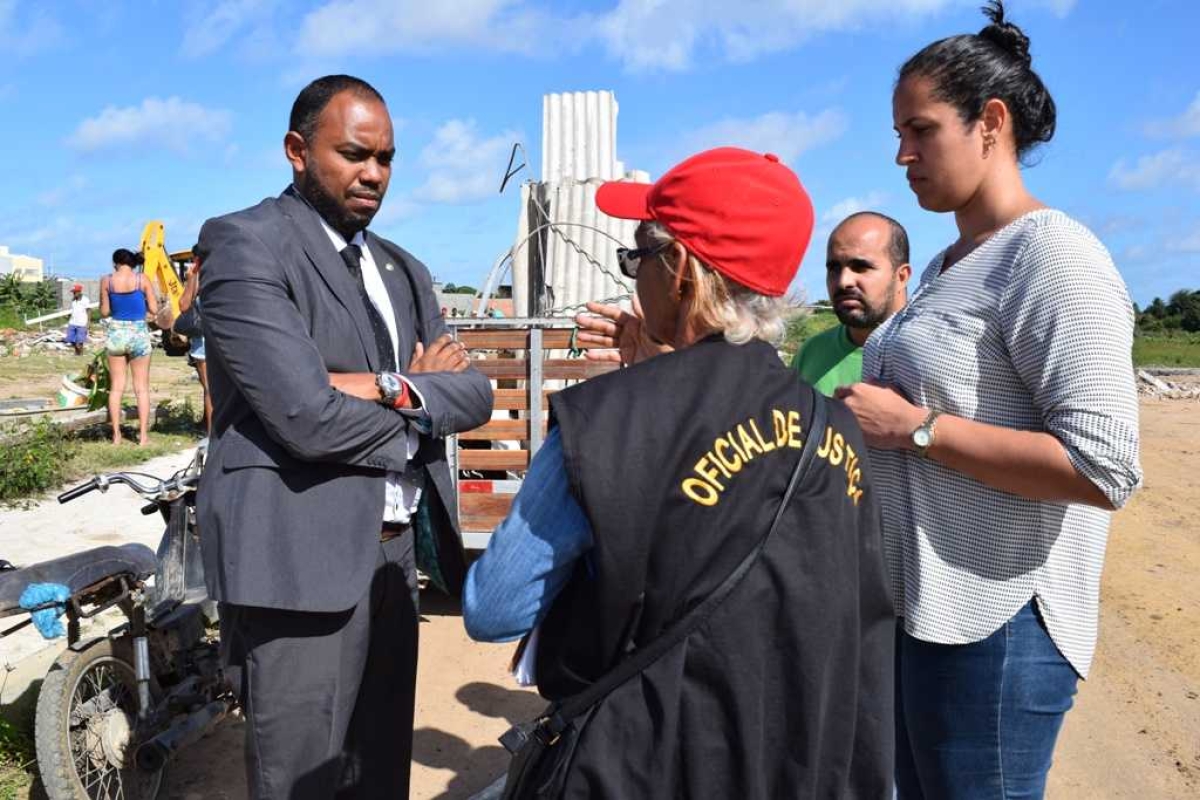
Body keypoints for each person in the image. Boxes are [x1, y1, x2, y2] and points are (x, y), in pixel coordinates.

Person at [466, 147, 894, 798]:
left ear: (683, 269)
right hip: (792, 765)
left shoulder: (608, 418)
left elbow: (493, 606)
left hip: (644, 764)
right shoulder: (836, 432)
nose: (634, 273)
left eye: (639, 252)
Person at [835, 3, 1143, 797]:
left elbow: (1104, 467)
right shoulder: (944, 266)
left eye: (920, 129)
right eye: (898, 133)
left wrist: (915, 430)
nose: (902, 153)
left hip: (1001, 624)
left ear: (990, 123)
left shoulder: (1053, 256)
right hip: (923, 617)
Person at [196, 74, 493, 799]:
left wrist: (382, 384)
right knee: (299, 780)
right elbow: (302, 414)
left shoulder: (403, 268)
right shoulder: (245, 245)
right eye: (355, 154)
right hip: (298, 562)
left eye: (387, 158)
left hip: (394, 558)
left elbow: (476, 392)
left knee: (378, 772)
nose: (374, 175)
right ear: (297, 150)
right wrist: (420, 400)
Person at [793, 212, 911, 395]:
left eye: (860, 267)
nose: (843, 281)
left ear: (901, 277)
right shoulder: (812, 354)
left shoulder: (929, 355)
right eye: (834, 268)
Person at [99, 248, 156, 445]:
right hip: (138, 332)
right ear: (131, 263)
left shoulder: (107, 280)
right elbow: (155, 309)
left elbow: (105, 312)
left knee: (116, 388)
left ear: (115, 263)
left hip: (116, 333)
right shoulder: (142, 279)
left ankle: (116, 436)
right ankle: (143, 437)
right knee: (141, 388)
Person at [174, 245, 210, 432]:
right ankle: (208, 424)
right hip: (226, 338)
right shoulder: (226, 271)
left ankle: (212, 436)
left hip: (205, 340)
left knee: (210, 390)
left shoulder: (198, 274)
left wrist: (190, 279)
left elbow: (183, 304)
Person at [64, 283, 90, 355]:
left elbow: (89, 311)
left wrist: (88, 322)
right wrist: (68, 316)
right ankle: (77, 351)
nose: (74, 294)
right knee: (69, 339)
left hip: (82, 323)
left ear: (79, 292)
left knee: (80, 341)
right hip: (72, 322)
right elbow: (73, 310)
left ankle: (79, 353)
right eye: (73, 292)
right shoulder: (73, 301)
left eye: (75, 292)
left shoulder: (85, 300)